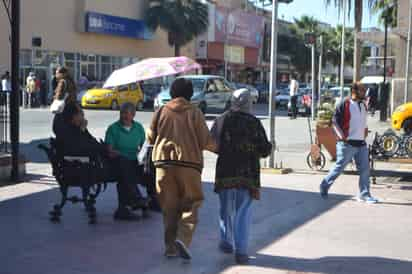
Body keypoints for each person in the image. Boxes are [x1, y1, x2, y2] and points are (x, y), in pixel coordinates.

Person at [147, 78, 216, 261]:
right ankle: (183, 238)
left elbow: (150, 137)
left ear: (171, 93)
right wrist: (219, 148)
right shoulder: (195, 113)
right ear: (190, 94)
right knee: (191, 203)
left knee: (169, 208)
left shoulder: (161, 110)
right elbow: (205, 141)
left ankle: (170, 248)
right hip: (189, 165)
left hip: (163, 165)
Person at [211, 89, 272, 264]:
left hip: (225, 172)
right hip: (247, 174)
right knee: (242, 212)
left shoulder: (222, 119)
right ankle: (242, 251)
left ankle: (226, 241)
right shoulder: (254, 123)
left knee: (225, 208)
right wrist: (269, 146)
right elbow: (264, 150)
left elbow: (211, 143)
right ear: (249, 103)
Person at [320, 82, 378, 204]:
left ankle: (364, 194)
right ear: (354, 91)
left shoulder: (363, 105)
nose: (365, 92)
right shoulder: (344, 104)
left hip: (361, 143)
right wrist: (342, 137)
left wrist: (364, 132)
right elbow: (334, 121)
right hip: (347, 144)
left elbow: (361, 122)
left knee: (365, 169)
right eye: (362, 90)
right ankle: (324, 185)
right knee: (339, 168)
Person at [105, 102, 149, 221]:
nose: (123, 116)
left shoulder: (138, 127)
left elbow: (144, 147)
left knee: (152, 166)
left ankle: (150, 200)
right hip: (118, 161)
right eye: (122, 113)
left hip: (135, 160)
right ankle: (136, 199)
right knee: (124, 166)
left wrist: (145, 158)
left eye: (126, 113)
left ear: (133, 115)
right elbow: (109, 151)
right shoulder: (113, 128)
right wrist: (118, 153)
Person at [52, 67, 78, 136]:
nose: (56, 75)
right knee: (68, 126)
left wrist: (54, 97)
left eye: (57, 73)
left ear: (62, 74)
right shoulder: (71, 81)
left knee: (57, 127)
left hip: (63, 108)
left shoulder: (62, 82)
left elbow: (59, 96)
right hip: (71, 107)